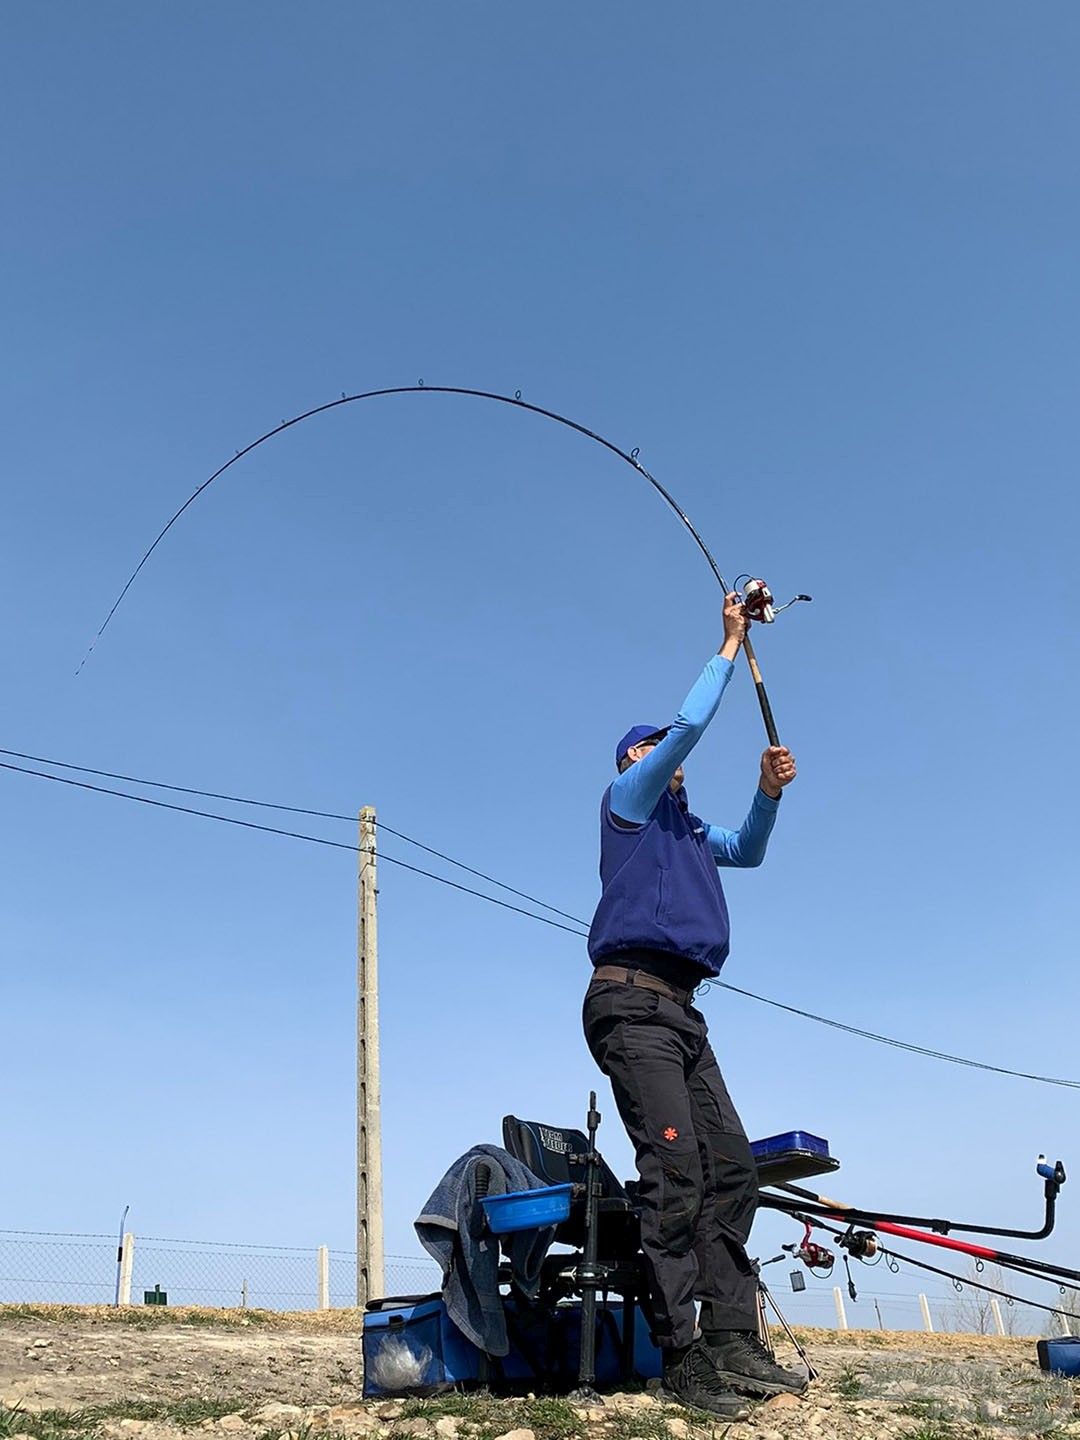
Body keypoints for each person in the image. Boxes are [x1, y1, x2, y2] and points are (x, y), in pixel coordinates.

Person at [583, 593, 805, 1419]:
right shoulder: (628, 807)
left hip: (680, 1013)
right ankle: (682, 1355)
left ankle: (733, 1342)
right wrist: (728, 643)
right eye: (649, 746)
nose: (663, 753)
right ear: (634, 761)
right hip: (627, 1004)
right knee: (675, 1174)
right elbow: (686, 728)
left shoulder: (689, 830)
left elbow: (747, 849)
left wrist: (767, 791)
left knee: (731, 1170)